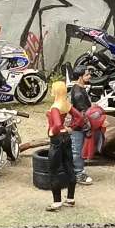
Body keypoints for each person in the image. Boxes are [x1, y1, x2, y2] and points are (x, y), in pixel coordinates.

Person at [44, 81, 79, 209]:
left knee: (53, 170)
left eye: (52, 89)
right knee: (69, 167)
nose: (51, 91)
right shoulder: (66, 105)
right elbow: (79, 118)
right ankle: (70, 198)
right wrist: (71, 127)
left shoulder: (55, 107)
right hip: (66, 138)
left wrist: (52, 131)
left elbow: (58, 124)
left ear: (56, 92)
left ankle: (57, 201)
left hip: (57, 140)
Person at [70, 82, 104, 186]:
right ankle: (78, 173)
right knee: (78, 149)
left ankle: (77, 171)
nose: (90, 76)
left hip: (80, 124)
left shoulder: (80, 89)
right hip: (79, 125)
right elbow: (82, 112)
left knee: (79, 148)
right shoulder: (78, 93)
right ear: (81, 76)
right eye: (87, 74)